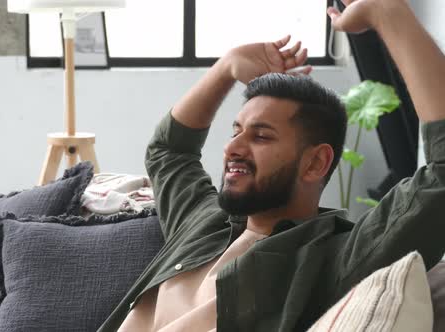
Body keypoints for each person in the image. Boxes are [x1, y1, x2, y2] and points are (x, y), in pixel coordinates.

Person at [99, 0, 445, 331]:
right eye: (236, 131)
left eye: (261, 137)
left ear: (315, 163)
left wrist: (390, 14)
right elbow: (168, 150)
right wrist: (226, 68)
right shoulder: (203, 220)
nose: (233, 148)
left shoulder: (332, 258)